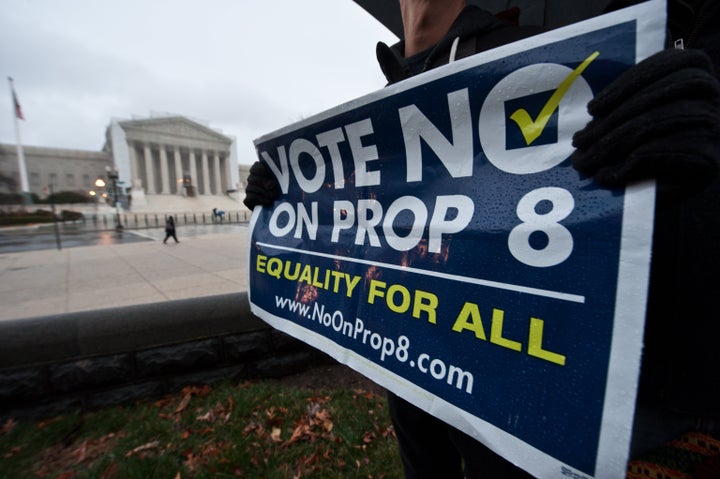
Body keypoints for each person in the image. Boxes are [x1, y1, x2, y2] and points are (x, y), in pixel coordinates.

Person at [244, 0, 720, 476]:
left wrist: (695, 159)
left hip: (505, 368)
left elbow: (613, 208)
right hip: (403, 347)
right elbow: (354, 208)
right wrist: (288, 190)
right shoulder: (384, 93)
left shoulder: (542, 54)